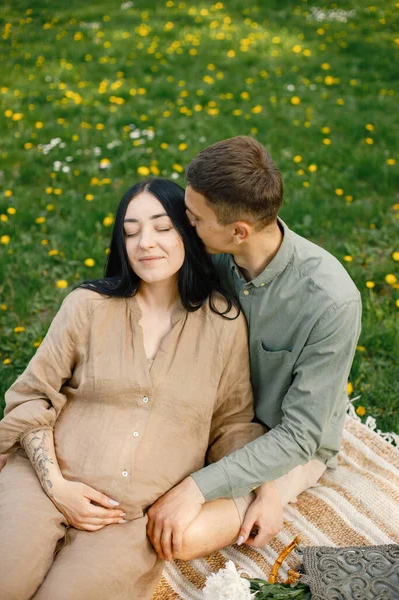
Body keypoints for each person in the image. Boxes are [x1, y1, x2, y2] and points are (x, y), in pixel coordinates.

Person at [0, 178, 269, 599]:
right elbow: (32, 395)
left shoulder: (225, 325)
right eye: (131, 231)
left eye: (162, 227)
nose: (146, 242)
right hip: (42, 485)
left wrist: (261, 494)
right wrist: (57, 487)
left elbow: (232, 425)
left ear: (188, 232)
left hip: (132, 521)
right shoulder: (87, 306)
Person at [147, 136, 362, 561]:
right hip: (215, 414)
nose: (183, 225)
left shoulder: (331, 302)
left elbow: (300, 436)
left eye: (194, 218)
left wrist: (201, 488)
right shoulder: (212, 253)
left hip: (286, 442)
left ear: (238, 231)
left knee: (183, 534)